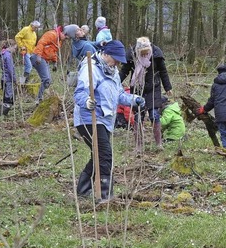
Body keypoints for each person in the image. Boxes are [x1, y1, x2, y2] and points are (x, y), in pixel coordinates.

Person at [73, 40, 145, 202]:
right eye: (116, 59)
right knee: (105, 154)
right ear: (106, 55)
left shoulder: (113, 72)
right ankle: (105, 196)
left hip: (106, 119)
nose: (118, 63)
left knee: (98, 154)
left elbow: (119, 95)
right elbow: (79, 93)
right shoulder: (90, 68)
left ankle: (83, 190)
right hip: (88, 119)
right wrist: (86, 101)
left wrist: (135, 99)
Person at [119, 37, 173, 150]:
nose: (144, 54)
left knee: (154, 115)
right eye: (142, 53)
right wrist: (115, 83)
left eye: (146, 52)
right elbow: (125, 71)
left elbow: (163, 71)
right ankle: (138, 145)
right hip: (137, 88)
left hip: (154, 87)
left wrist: (168, 87)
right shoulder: (132, 55)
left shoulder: (156, 54)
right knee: (139, 116)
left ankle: (159, 144)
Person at [31, 25, 65, 104]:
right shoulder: (52, 34)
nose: (66, 38)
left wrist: (55, 62)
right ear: (62, 32)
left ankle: (39, 98)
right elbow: (41, 43)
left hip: (45, 60)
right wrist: (39, 55)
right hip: (38, 57)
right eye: (65, 36)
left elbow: (53, 52)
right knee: (46, 79)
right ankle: (38, 99)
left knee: (48, 81)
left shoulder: (59, 41)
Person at [0, 39, 17, 115]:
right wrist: (14, 79)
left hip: (3, 79)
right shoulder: (8, 55)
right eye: (15, 48)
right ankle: (3, 113)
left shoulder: (2, 53)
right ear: (11, 47)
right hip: (8, 80)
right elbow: (10, 69)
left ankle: (2, 112)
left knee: (5, 96)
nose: (15, 50)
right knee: (8, 97)